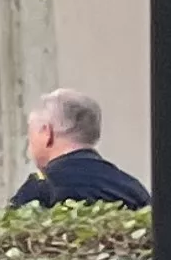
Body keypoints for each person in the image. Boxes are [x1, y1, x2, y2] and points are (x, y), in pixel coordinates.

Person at [11, 89, 149, 208]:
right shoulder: (132, 189)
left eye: (30, 133)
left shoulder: (41, 188)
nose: (29, 144)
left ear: (47, 133)